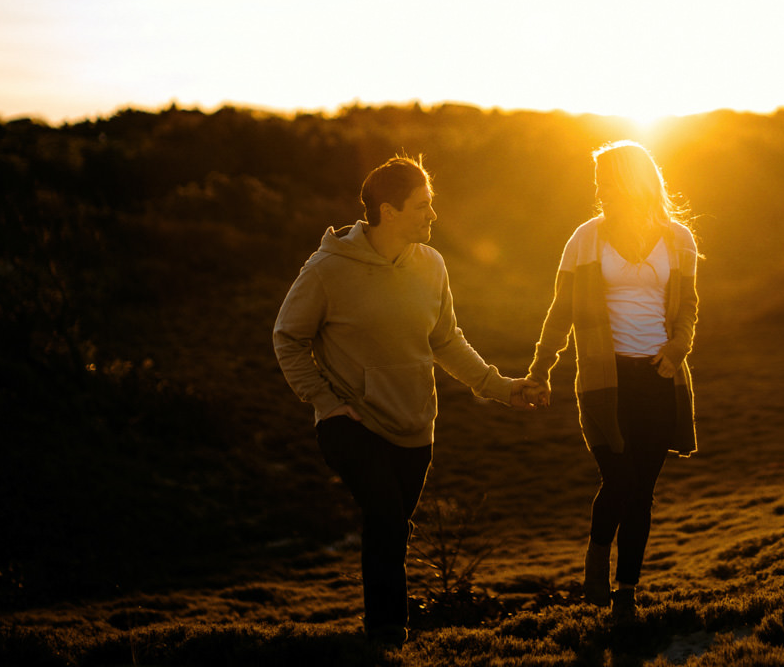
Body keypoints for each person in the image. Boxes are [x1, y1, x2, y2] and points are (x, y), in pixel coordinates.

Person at [273, 155, 541, 646]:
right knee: (385, 516)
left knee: (394, 528)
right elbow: (288, 337)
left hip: (415, 424)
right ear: (388, 211)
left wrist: (502, 387)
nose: (432, 216)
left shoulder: (431, 265)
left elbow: (446, 341)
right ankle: (387, 631)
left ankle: (389, 626)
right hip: (349, 421)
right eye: (422, 207)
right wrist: (324, 402)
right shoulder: (328, 269)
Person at [525, 141, 700, 619]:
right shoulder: (586, 238)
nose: (600, 190)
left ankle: (626, 590)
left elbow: (687, 307)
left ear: (634, 181)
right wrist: (541, 369)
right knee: (618, 479)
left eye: (608, 181)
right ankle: (597, 565)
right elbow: (560, 311)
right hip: (606, 381)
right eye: (597, 182)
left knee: (642, 490)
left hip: (661, 378)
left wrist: (677, 347)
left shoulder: (680, 239)